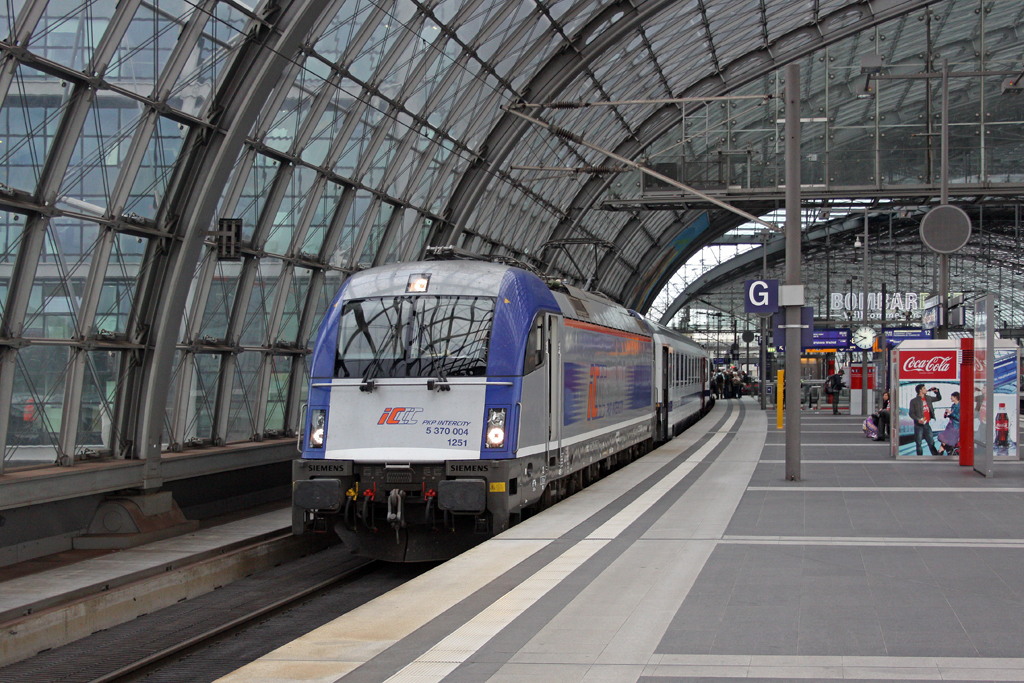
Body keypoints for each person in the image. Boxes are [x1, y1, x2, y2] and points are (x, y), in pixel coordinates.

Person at [908, 384, 942, 455]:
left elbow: (938, 398)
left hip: (927, 424)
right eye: (924, 388)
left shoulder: (928, 398)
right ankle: (920, 457)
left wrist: (937, 392)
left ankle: (935, 456)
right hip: (918, 425)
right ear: (920, 390)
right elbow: (911, 413)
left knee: (931, 442)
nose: (926, 389)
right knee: (919, 443)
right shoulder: (914, 401)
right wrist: (918, 419)